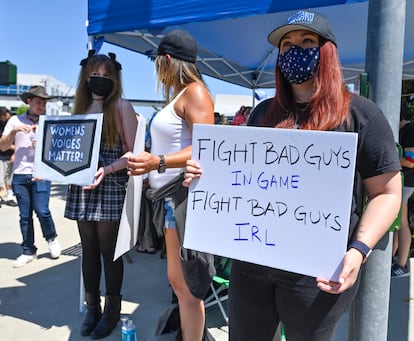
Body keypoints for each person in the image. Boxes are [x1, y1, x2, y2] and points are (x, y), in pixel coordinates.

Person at [183, 10, 401, 341]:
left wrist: (358, 250)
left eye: (306, 41)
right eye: (286, 45)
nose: (294, 50)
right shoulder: (261, 113)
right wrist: (203, 177)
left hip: (317, 274)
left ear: (327, 51)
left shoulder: (361, 115)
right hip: (251, 263)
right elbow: (238, 177)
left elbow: (387, 193)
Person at [127, 29, 214, 341]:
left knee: (188, 287)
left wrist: (158, 162)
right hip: (168, 200)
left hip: (182, 199)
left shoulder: (195, 92)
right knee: (178, 283)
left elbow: (209, 144)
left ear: (165, 60)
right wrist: (148, 162)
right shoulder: (181, 95)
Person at [64, 51, 138, 339]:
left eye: (108, 76)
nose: (101, 79)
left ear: (116, 79)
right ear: (86, 76)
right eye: (96, 74)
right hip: (81, 184)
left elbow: (134, 152)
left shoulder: (121, 106)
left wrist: (108, 169)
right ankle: (92, 307)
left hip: (108, 184)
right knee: (88, 250)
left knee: (110, 251)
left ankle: (112, 310)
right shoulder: (80, 108)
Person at [0, 86, 61, 267]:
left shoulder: (49, 122)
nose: (41, 106)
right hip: (20, 173)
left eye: (44, 102)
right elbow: (3, 147)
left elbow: (58, 150)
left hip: (41, 173)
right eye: (38, 102)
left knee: (42, 210)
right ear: (29, 101)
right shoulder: (14, 121)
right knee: (24, 215)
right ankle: (28, 250)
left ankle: (51, 238)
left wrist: (43, 145)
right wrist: (14, 132)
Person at [392, 113, 414, 277]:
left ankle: (402, 264)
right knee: (396, 222)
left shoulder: (410, 130)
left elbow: (411, 161)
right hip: (400, 181)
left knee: (402, 223)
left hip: (406, 182)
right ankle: (394, 259)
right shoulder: (404, 130)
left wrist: (389, 158)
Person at [0, 107, 17, 207]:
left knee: (9, 179)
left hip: (10, 155)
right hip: (1, 156)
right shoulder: (1, 125)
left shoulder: (13, 124)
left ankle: (10, 197)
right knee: (0, 179)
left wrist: (15, 152)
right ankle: (2, 196)